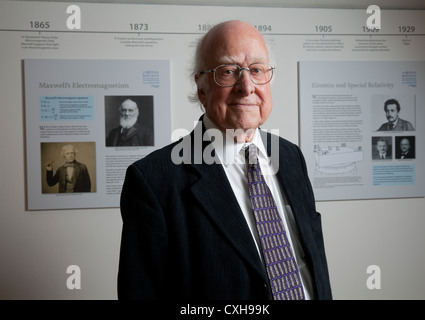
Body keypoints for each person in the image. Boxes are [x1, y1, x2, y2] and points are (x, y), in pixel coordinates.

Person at [118, 20, 332, 300]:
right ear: (202, 89)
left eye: (257, 70)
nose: (246, 86)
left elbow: (312, 263)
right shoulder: (153, 181)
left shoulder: (291, 157)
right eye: (228, 72)